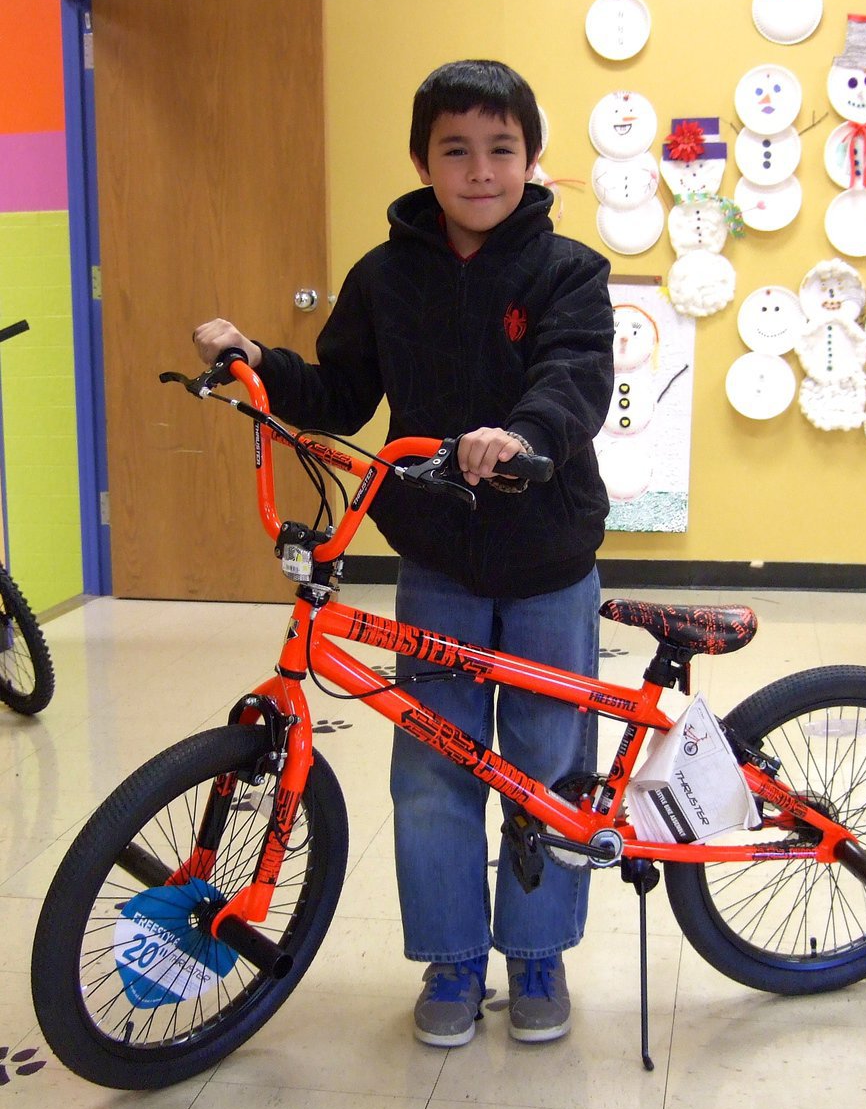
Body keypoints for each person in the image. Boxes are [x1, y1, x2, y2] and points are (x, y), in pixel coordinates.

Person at [194, 58, 614, 1048]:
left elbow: (571, 376)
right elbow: (340, 391)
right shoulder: (383, 276)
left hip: (550, 556)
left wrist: (520, 437)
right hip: (434, 559)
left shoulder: (568, 272)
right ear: (422, 161)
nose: (478, 171)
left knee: (545, 765)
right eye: (453, 150)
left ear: (529, 156)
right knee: (430, 769)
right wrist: (256, 360)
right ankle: (453, 960)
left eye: (499, 149)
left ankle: (537, 953)